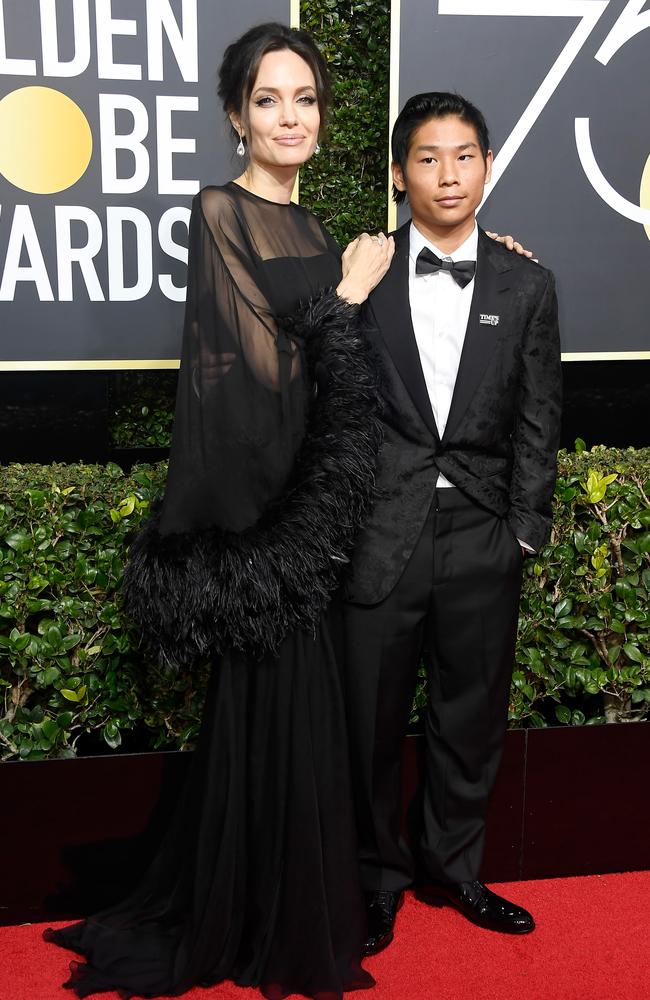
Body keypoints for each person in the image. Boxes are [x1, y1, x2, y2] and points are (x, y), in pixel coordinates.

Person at [44, 23, 394, 1000]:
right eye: (269, 99)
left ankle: (291, 907)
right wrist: (346, 300)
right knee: (270, 707)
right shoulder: (221, 210)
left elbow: (337, 380)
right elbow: (258, 369)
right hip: (263, 513)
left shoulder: (318, 231)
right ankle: (251, 920)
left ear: (322, 119)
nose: (290, 116)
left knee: (310, 712)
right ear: (236, 114)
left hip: (316, 506)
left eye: (305, 99)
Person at [342, 92, 562, 954]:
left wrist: (525, 530)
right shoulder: (359, 269)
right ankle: (376, 877)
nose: (448, 174)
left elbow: (540, 415)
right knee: (370, 721)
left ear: (489, 166)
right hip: (378, 532)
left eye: (464, 155)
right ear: (399, 174)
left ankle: (455, 868)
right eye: (428, 158)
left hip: (482, 531)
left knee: (470, 715)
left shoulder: (528, 281)